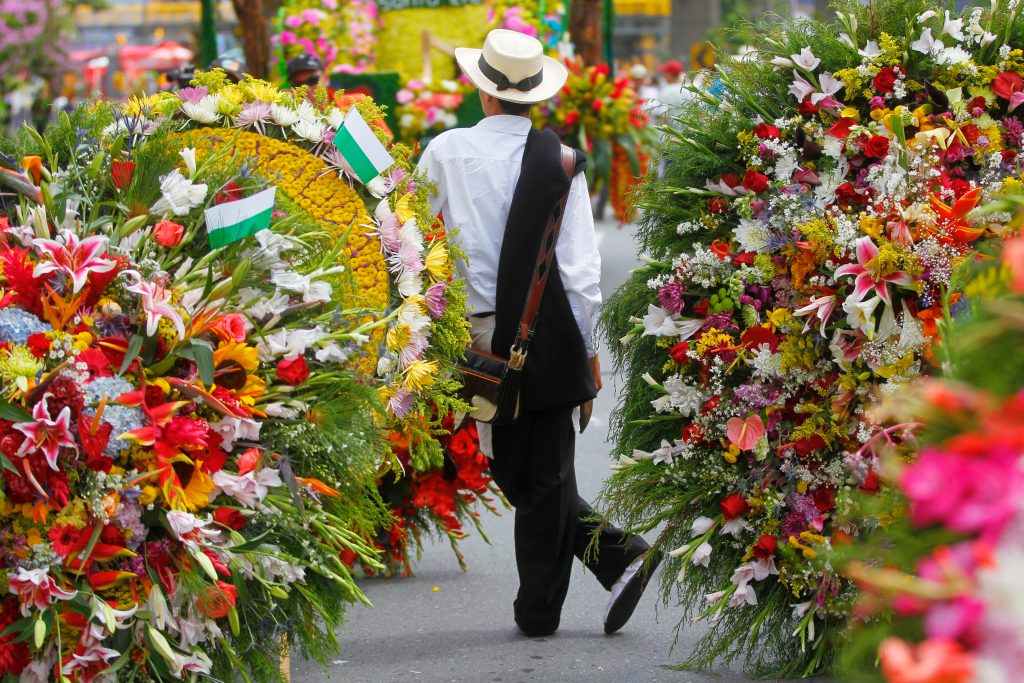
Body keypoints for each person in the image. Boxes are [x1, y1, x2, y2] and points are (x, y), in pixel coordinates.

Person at [417, 29, 661, 638]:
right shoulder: (561, 162)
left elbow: (414, 238)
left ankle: (542, 609)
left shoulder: (444, 153)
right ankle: (618, 554)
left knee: (513, 467)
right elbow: (579, 274)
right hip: (546, 333)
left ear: (483, 90)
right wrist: (590, 352)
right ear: (535, 97)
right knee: (540, 472)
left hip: (473, 336)